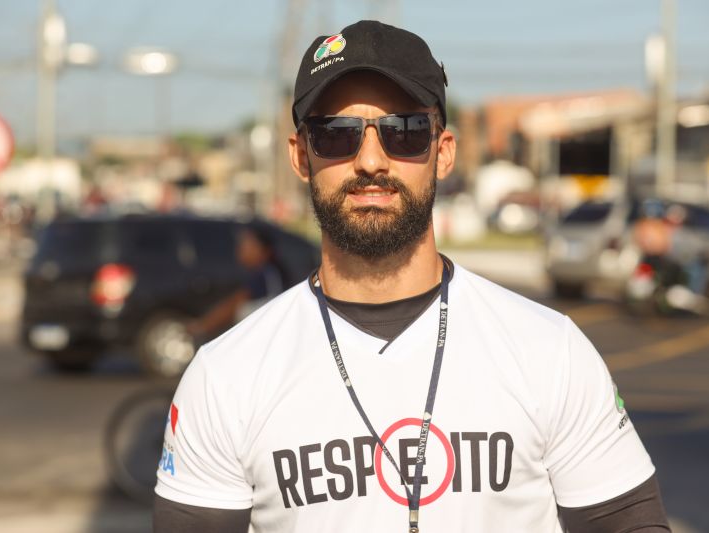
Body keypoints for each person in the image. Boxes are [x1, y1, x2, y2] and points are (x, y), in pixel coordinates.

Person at [154, 20, 670, 532]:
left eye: (405, 132)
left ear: (442, 152)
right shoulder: (225, 375)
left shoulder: (550, 350)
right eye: (336, 136)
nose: (371, 161)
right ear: (300, 157)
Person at [187, 225, 285, 340]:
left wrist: (203, 326)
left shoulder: (263, 275)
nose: (240, 249)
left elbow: (233, 304)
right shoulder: (267, 272)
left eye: (247, 245)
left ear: (264, 250)